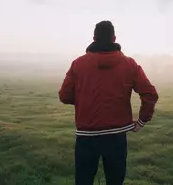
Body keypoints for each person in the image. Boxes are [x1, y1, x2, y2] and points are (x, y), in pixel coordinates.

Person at [58, 20, 159, 185]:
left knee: (83, 181)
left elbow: (64, 96)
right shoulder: (129, 63)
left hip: (86, 135)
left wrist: (84, 99)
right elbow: (150, 94)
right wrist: (142, 121)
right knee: (115, 181)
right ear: (114, 38)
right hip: (117, 136)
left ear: (94, 38)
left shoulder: (78, 64)